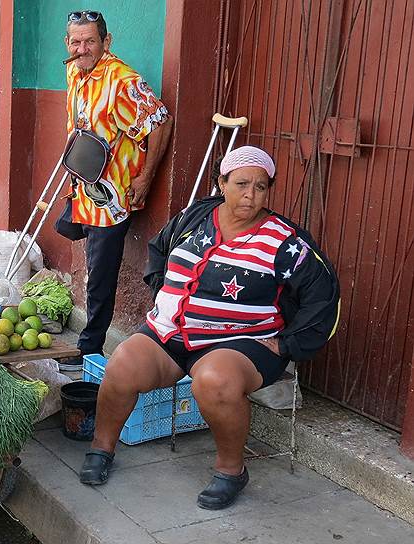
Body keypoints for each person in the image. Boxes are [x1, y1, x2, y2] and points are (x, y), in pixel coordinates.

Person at [79, 146, 340, 510]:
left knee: (214, 380)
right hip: (172, 334)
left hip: (239, 344)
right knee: (122, 362)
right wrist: (165, 296)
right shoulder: (195, 217)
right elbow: (159, 249)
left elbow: (324, 294)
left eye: (261, 187)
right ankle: (102, 447)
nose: (250, 195)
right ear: (222, 183)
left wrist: (288, 345)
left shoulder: (285, 242)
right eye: (242, 184)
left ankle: (231, 470)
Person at [57, 10, 173, 370]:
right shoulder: (74, 70)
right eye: (76, 42)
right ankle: (89, 340)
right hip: (86, 189)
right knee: (91, 262)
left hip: (113, 197)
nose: (82, 48)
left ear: (106, 42)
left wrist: (146, 178)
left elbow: (160, 123)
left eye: (90, 41)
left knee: (101, 273)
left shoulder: (124, 81)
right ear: (67, 43)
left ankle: (90, 346)